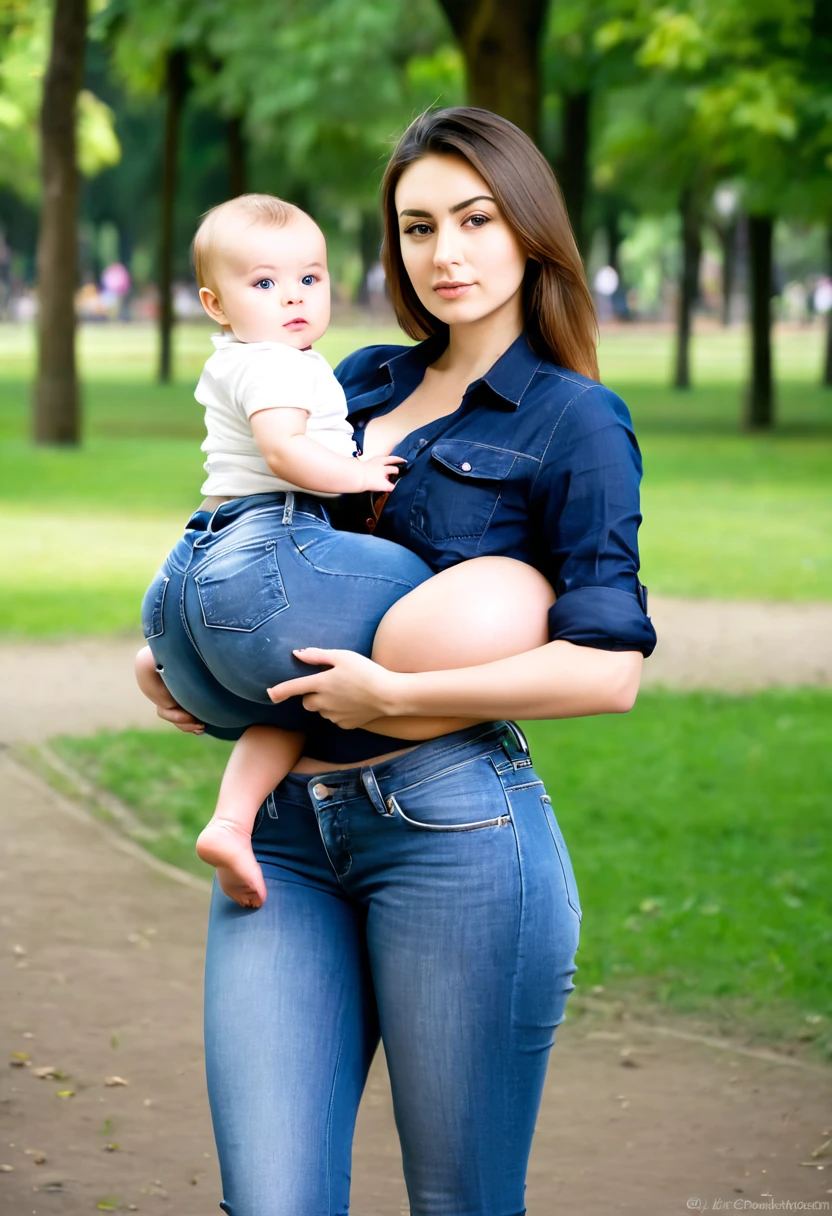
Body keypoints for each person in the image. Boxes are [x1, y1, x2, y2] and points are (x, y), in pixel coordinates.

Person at [142, 107, 656, 1216]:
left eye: (474, 219)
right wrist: (180, 658)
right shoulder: (356, 380)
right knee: (270, 1203)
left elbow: (607, 671)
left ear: (528, 231)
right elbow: (253, 537)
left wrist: (398, 693)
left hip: (455, 833)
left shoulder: (577, 422)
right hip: (280, 838)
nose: (445, 253)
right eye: (417, 227)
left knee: (460, 1201)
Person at [136, 192, 557, 909]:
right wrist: (356, 474)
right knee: (433, 587)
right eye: (264, 284)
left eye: (310, 278)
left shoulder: (236, 359)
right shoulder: (284, 366)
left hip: (192, 571)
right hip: (272, 544)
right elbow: (284, 449)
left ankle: (229, 814)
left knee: (290, 707)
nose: (293, 297)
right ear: (215, 301)